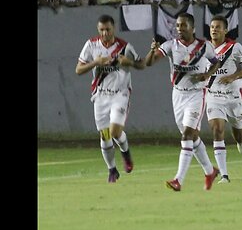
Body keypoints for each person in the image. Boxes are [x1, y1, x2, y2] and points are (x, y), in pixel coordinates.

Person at [146, 13, 221, 191]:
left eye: (183, 26)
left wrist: (207, 75)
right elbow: (149, 63)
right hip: (178, 95)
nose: (179, 29)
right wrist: (152, 50)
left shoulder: (204, 46)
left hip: (197, 94)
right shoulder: (171, 45)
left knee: (187, 135)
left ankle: (178, 180)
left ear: (192, 28)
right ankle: (210, 171)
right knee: (193, 138)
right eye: (178, 26)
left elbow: (216, 62)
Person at [75, 14, 146, 183]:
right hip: (100, 95)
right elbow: (78, 69)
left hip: (120, 93)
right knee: (105, 135)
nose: (105, 33)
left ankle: (126, 154)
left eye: (108, 29)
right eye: (101, 30)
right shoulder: (91, 45)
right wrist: (96, 63)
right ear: (98, 30)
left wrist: (128, 62)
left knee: (115, 131)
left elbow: (141, 64)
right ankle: (112, 170)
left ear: (113, 28)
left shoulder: (124, 46)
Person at [206, 15, 242, 184]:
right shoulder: (204, 48)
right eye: (212, 26)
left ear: (225, 30)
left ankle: (241, 140)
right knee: (217, 129)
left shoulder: (234, 47)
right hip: (213, 95)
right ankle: (224, 175)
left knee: (238, 133)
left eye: (218, 27)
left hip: (234, 95)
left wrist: (233, 76)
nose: (214, 29)